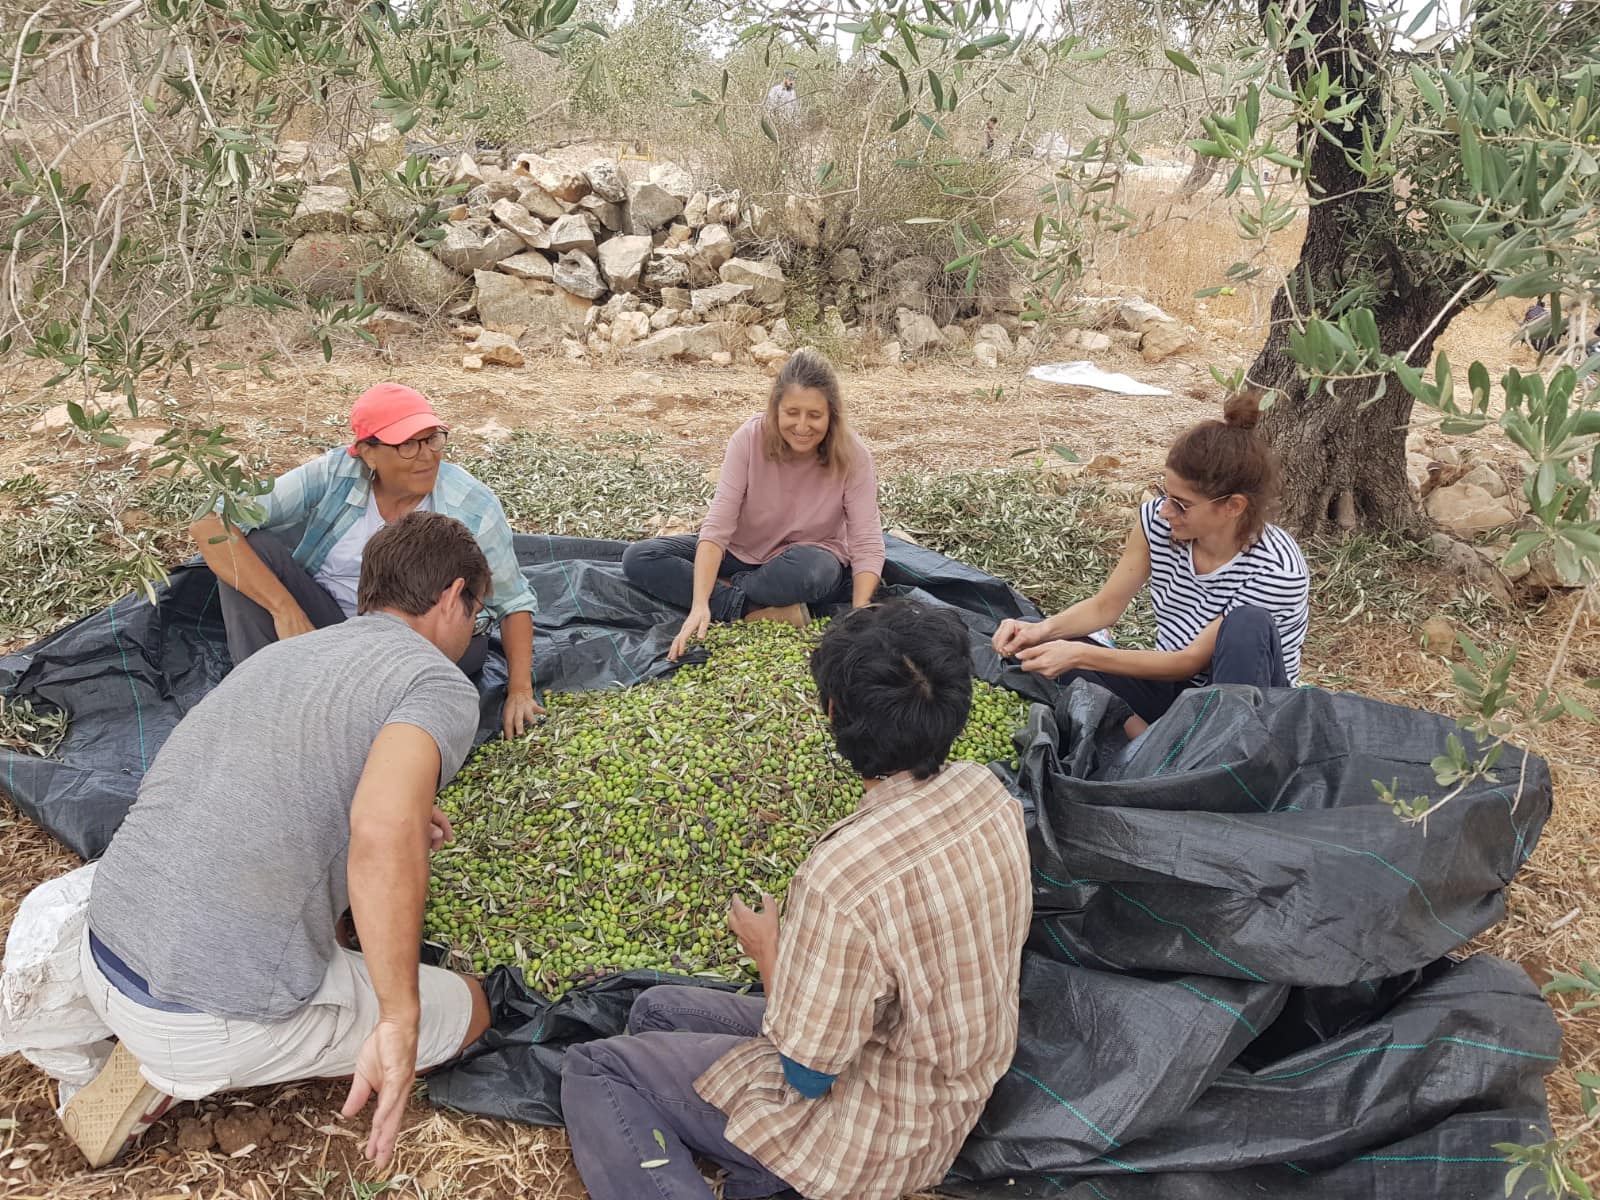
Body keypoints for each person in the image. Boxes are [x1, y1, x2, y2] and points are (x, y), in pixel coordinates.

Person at [62, 511, 494, 1170]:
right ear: (451, 595)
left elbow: (267, 782)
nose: (472, 630)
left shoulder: (286, 653)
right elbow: (383, 830)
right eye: (476, 613)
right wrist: (398, 1018)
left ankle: (162, 1033)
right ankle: (180, 1068)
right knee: (473, 1012)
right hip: (200, 1014)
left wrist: (396, 804)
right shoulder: (436, 680)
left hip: (103, 945)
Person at [560, 599, 1032, 1200]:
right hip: (941, 1083)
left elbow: (808, 1076)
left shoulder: (841, 878)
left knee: (595, 1068)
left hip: (870, 1133)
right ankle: (752, 1168)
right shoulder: (987, 790)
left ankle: (777, 1167)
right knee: (654, 1009)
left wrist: (769, 950)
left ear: (832, 712)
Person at [190, 382, 544, 739]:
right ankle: (263, 701)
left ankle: (336, 715)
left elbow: (513, 602)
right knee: (250, 549)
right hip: (333, 622)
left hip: (422, 638)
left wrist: (520, 690)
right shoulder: (336, 474)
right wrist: (286, 610)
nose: (426, 456)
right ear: (367, 453)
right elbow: (211, 522)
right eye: (407, 445)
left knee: (372, 698)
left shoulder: (471, 505)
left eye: (432, 439)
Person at [993, 390, 1309, 739]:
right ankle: (1149, 744)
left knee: (1247, 624)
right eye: (1164, 494)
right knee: (1036, 645)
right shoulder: (1158, 525)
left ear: (1233, 506)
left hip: (1244, 708)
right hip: (1172, 690)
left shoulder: (1276, 569)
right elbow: (1104, 607)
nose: (1165, 511)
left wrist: (1079, 655)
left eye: (1181, 504)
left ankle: (1204, 754)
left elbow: (1188, 661)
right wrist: (1040, 631)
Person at [622, 349, 886, 660]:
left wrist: (858, 615)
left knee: (816, 574)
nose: (802, 426)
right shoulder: (748, 440)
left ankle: (729, 588)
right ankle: (751, 610)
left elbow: (867, 541)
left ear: (832, 415)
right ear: (776, 409)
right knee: (639, 557)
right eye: (792, 412)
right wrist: (699, 605)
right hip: (741, 550)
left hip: (804, 558)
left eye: (815, 415)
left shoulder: (853, 456)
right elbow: (717, 526)